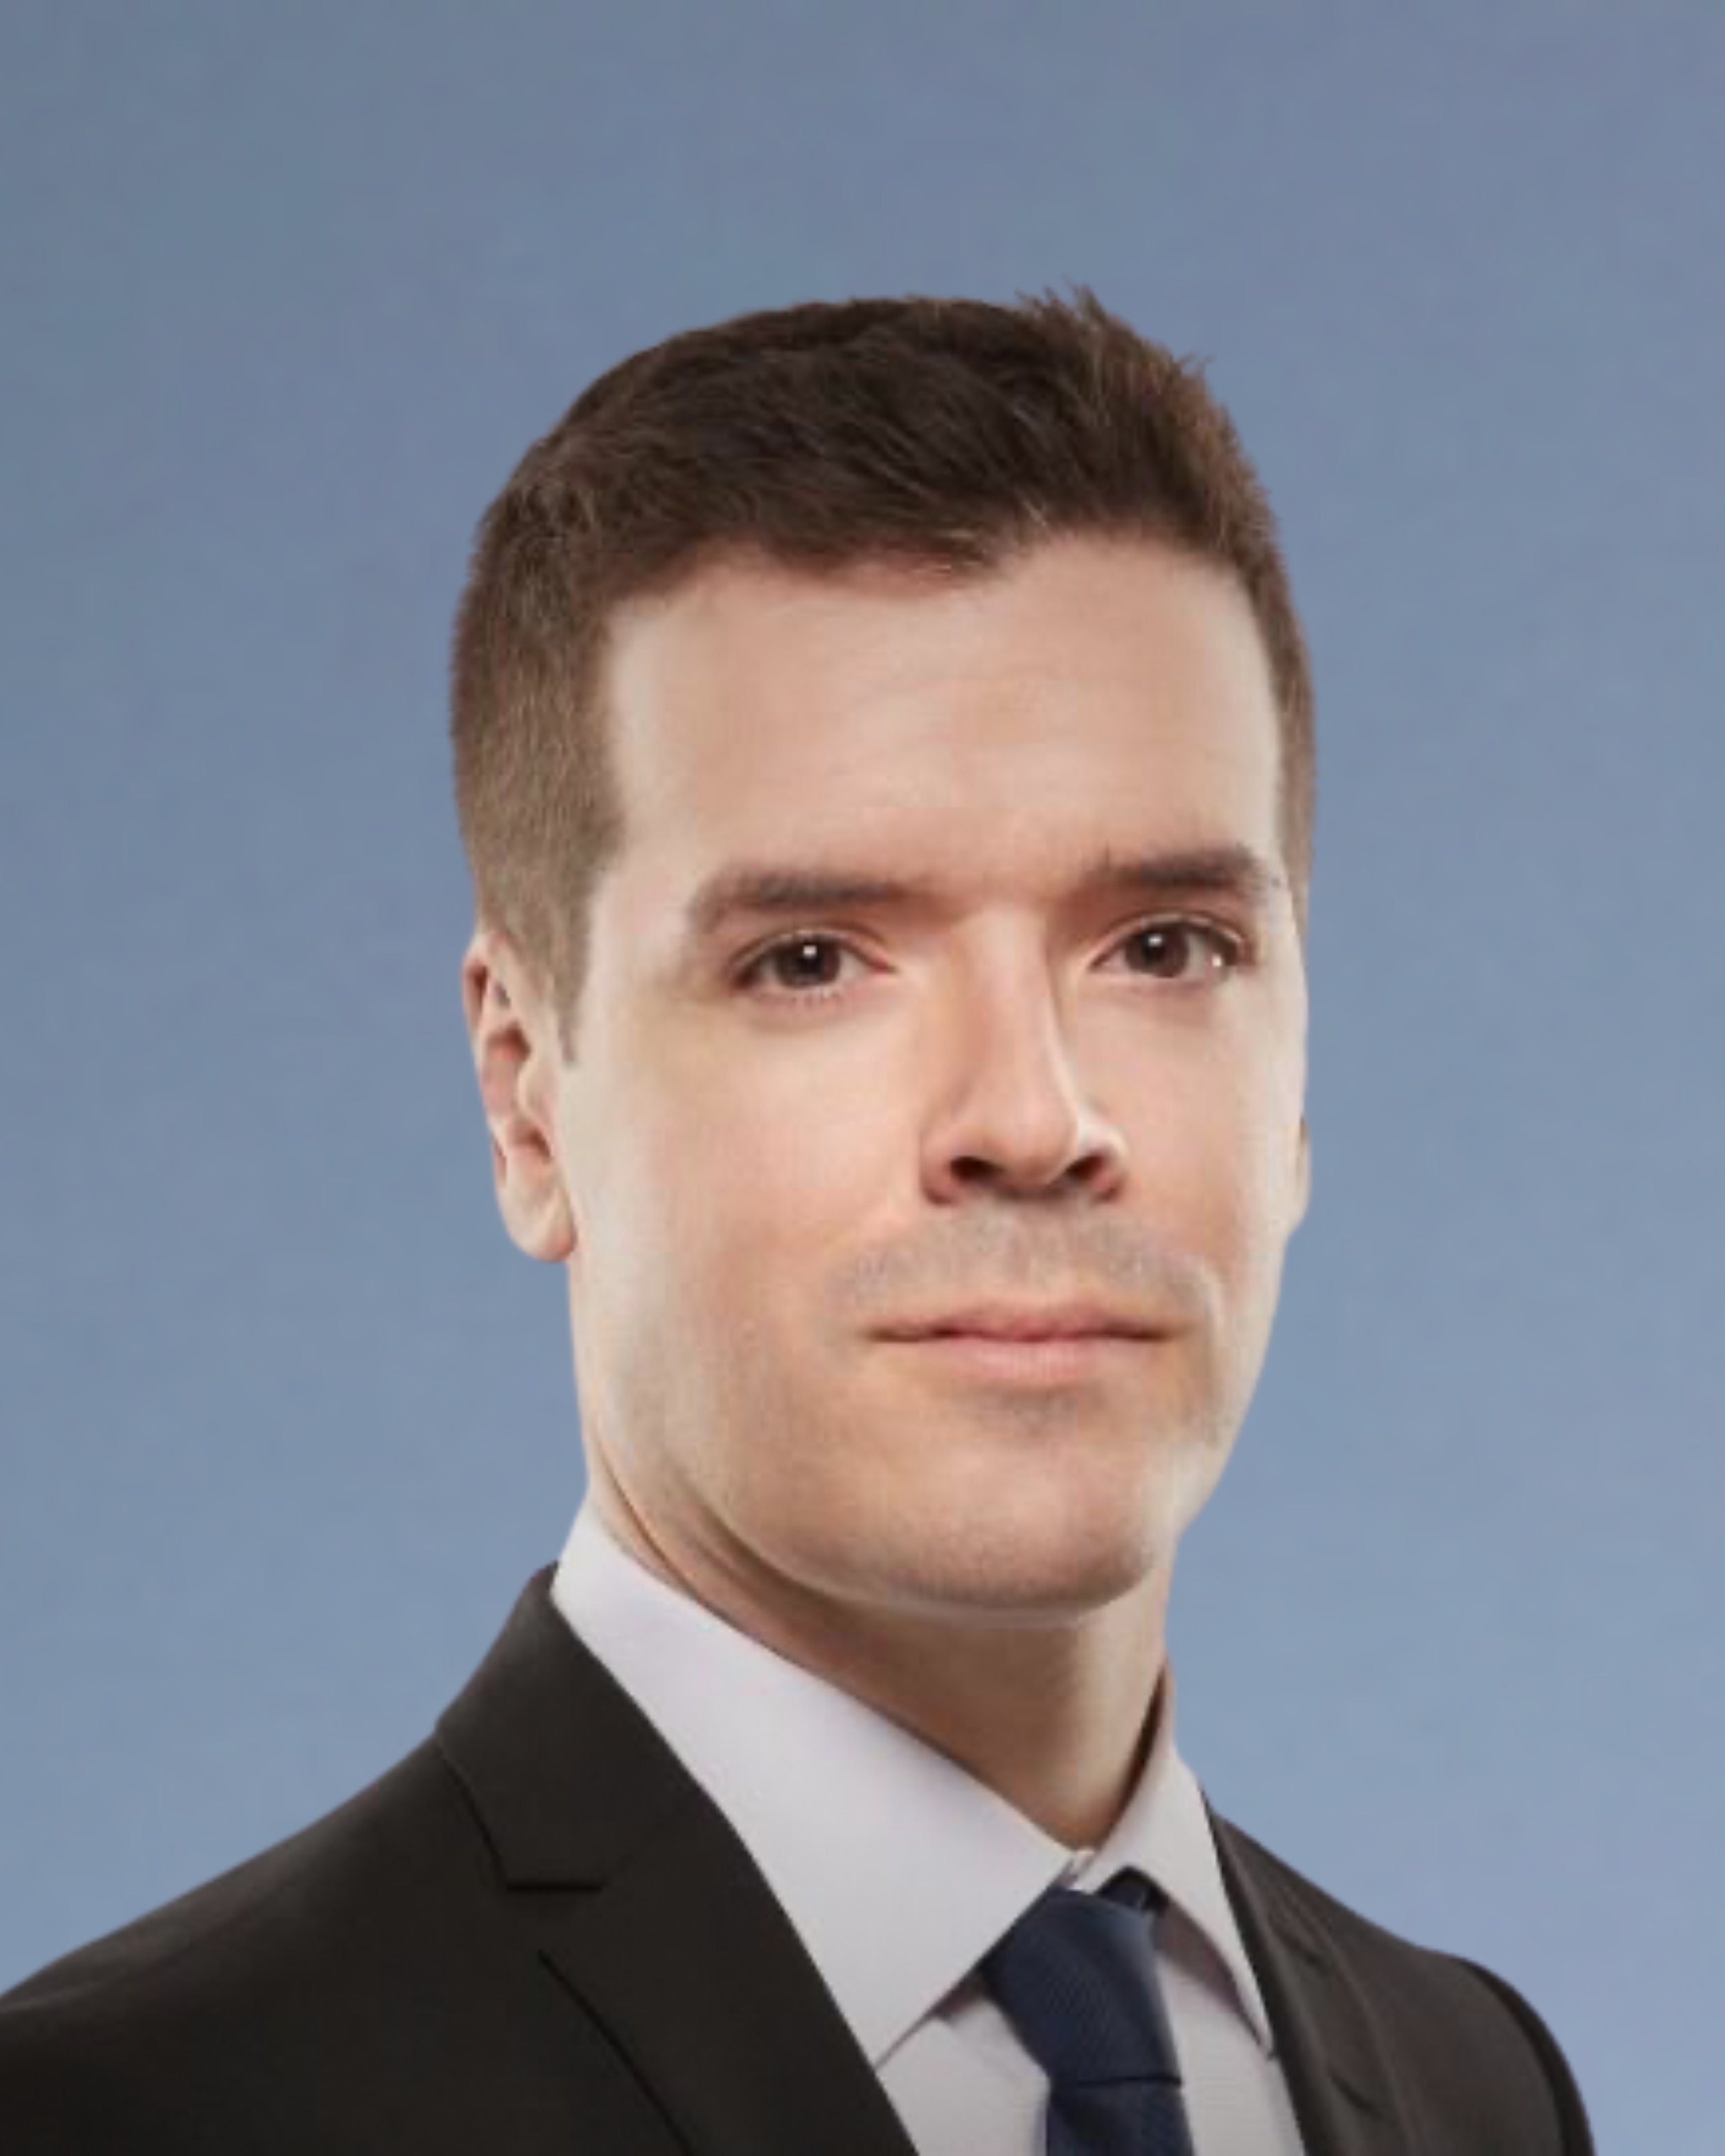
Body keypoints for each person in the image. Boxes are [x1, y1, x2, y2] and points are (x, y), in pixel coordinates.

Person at [0, 288, 1595, 2155]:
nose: (1032, 1116)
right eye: (813, 960)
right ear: (527, 1095)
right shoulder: (133, 2117)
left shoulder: (1477, 2086)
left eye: (1165, 947)